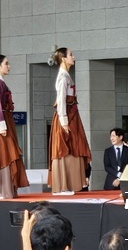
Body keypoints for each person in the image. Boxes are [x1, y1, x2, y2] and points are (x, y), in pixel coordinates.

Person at [0, 54, 29, 199]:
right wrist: (1, 126)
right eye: (6, 63)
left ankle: (5, 189)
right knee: (4, 154)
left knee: (6, 153)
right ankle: (1, 190)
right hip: (0, 121)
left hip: (2, 119)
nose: (9, 66)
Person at [48, 47, 92, 195]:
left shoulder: (66, 75)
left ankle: (68, 184)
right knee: (65, 149)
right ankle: (62, 185)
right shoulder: (63, 77)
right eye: (70, 55)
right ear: (63, 59)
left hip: (71, 115)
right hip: (66, 117)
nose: (73, 57)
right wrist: (64, 121)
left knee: (72, 148)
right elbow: (61, 101)